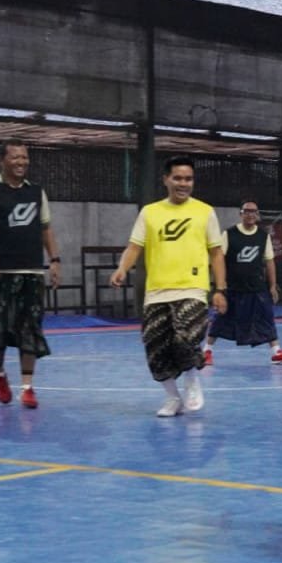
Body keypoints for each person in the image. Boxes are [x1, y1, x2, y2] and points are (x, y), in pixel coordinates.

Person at [109, 156, 228, 417]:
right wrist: (122, 268)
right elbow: (134, 246)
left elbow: (216, 253)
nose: (183, 183)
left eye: (188, 179)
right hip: (156, 293)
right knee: (155, 349)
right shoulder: (150, 212)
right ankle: (173, 398)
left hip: (192, 289)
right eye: (178, 178)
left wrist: (220, 289)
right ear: (166, 180)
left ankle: (192, 379)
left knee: (185, 336)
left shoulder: (205, 212)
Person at [0, 139, 61, 409]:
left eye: (25, 158)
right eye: (16, 157)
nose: (22, 162)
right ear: (2, 160)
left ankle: (28, 388)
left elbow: (46, 229)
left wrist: (54, 260)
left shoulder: (37, 192)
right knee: (0, 331)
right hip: (1, 273)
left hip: (32, 271)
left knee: (31, 329)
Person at [203, 199, 282, 365]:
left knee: (266, 317)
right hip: (233, 288)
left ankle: (276, 351)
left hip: (257, 288)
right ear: (241, 214)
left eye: (253, 211)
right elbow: (218, 260)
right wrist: (219, 287)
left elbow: (269, 261)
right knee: (220, 319)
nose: (250, 214)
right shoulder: (229, 234)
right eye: (247, 211)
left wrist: (273, 286)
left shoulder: (263, 236)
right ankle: (207, 351)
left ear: (257, 215)